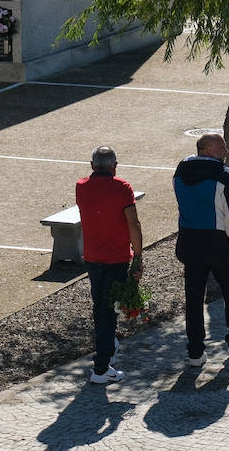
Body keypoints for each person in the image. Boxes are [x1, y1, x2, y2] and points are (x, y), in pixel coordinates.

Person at [173, 132, 229, 366]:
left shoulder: (180, 172)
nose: (226, 151)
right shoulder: (224, 176)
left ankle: (195, 352)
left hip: (190, 242)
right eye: (222, 147)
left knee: (194, 298)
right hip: (219, 244)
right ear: (208, 150)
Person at [76, 146, 144, 385]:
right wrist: (138, 255)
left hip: (93, 258)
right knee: (108, 311)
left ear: (92, 165)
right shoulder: (122, 188)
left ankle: (107, 345)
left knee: (100, 306)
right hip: (116, 258)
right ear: (115, 165)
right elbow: (133, 223)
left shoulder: (81, 187)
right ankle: (102, 367)